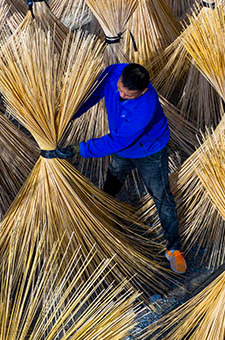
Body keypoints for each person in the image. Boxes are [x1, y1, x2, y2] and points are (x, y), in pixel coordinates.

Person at [50, 63, 186, 274]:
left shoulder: (144, 108)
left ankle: (174, 248)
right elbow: (94, 94)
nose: (120, 94)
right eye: (120, 88)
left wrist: (79, 149)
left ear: (143, 90)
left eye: (127, 94)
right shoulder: (115, 73)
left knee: (161, 196)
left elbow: (116, 142)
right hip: (124, 147)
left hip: (149, 151)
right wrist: (69, 113)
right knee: (113, 178)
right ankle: (104, 214)